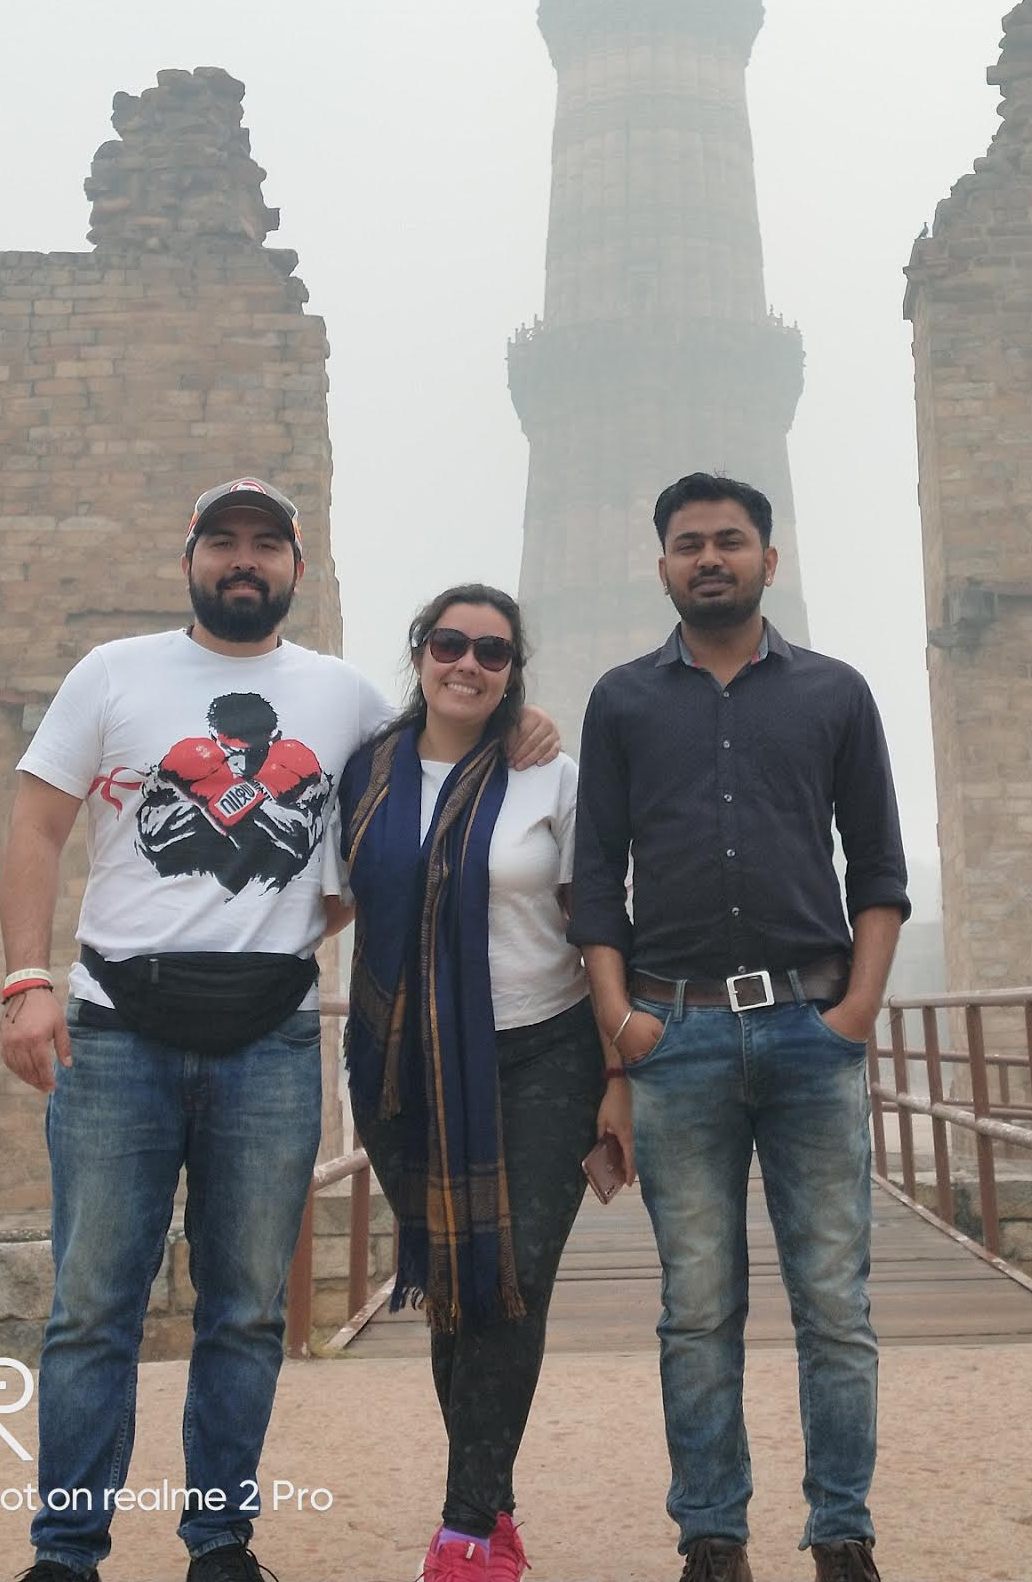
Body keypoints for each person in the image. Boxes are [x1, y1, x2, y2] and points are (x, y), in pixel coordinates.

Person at [0, 480, 558, 1582]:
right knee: (91, 1306)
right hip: (115, 1028)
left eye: (266, 543)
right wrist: (27, 977)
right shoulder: (114, 673)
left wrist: (519, 720)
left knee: (247, 1308)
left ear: (296, 564)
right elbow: (36, 820)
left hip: (267, 1036)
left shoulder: (342, 699)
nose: (243, 560)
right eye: (224, 541)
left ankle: (219, 1541)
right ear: (193, 555)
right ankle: (66, 1550)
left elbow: (409, 793)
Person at [572, 473, 909, 1582]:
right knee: (697, 1306)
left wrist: (855, 1009)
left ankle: (841, 1530)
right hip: (678, 1034)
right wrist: (618, 1018)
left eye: (729, 540)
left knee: (834, 1301)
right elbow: (596, 876)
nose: (708, 557)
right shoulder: (625, 699)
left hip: (811, 1031)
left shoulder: (834, 693)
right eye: (687, 543)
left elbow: (880, 864)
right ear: (661, 565)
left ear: (773, 556)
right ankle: (713, 1533)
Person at [338, 583, 602, 1582]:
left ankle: (461, 1532)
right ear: (418, 653)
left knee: (511, 1281)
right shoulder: (363, 773)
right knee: (458, 1286)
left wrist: (619, 1072)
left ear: (514, 668)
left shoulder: (552, 777)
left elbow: (596, 925)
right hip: (404, 1063)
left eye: (492, 651)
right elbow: (315, 896)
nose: (469, 662)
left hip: (545, 1050)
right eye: (450, 642)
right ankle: (494, 1505)